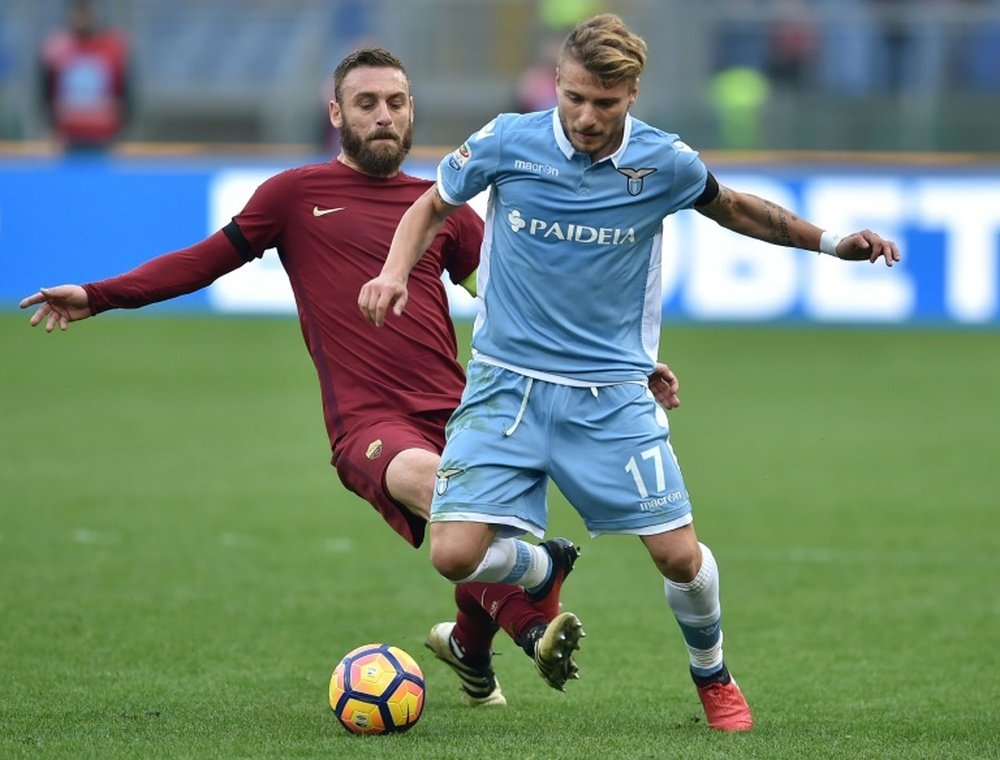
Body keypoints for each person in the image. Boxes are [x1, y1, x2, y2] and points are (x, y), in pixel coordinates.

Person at [18, 47, 676, 705]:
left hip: (463, 412)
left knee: (474, 540)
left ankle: (471, 649)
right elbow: (204, 261)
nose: (383, 116)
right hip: (369, 423)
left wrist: (625, 367)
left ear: (411, 110)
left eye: (395, 102)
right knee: (446, 496)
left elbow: (530, 305)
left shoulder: (441, 208)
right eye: (366, 104)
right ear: (337, 113)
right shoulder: (294, 196)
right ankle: (533, 620)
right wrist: (99, 294)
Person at [358, 14, 901, 732]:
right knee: (452, 556)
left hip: (609, 396)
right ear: (557, 83)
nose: (587, 117)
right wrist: (394, 273)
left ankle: (713, 676)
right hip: (505, 386)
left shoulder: (663, 163)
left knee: (679, 558)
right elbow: (431, 205)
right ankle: (538, 571)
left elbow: (739, 210)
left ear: (633, 95)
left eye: (605, 103)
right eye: (576, 97)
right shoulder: (505, 141)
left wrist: (834, 243)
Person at [39, 0, 132, 151]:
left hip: (104, 138)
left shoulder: (113, 47)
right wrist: (50, 128)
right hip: (65, 138)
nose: (83, 18)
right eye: (79, 12)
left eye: (87, 11)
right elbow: (45, 93)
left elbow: (126, 93)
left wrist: (122, 131)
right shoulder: (56, 47)